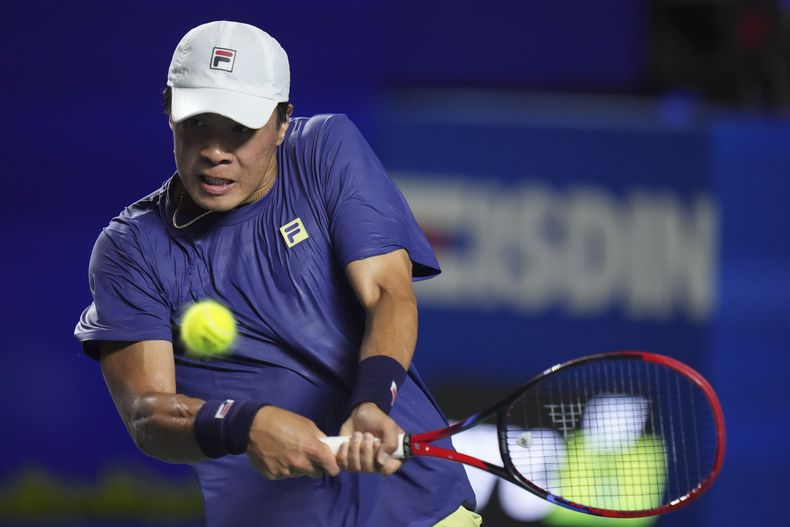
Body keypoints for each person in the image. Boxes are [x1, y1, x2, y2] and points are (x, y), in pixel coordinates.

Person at [75, 20, 480, 527]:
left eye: (240, 130)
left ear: (282, 121)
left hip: (424, 512)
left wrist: (375, 401)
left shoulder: (325, 150)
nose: (215, 151)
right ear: (169, 110)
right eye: (198, 122)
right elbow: (147, 414)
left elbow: (386, 293)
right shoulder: (130, 249)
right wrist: (243, 424)